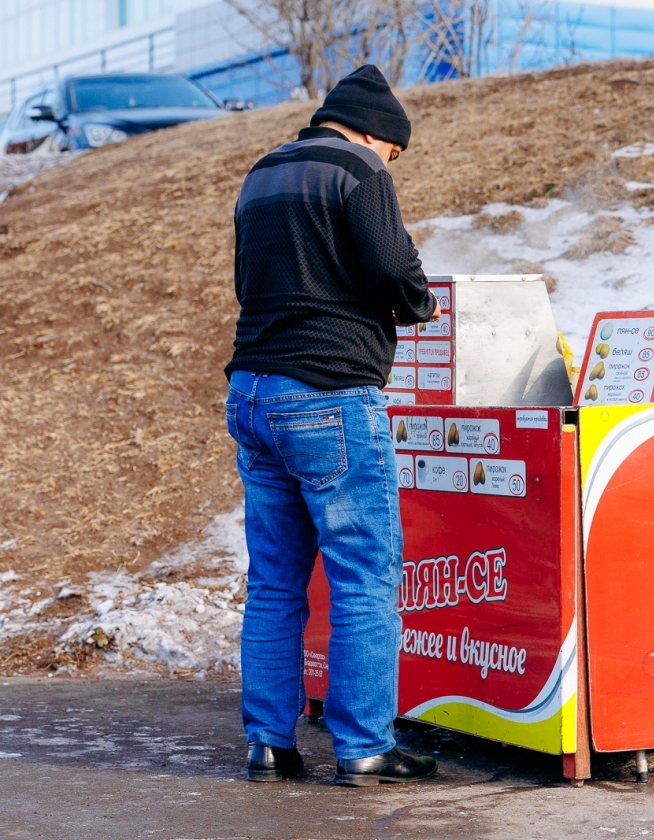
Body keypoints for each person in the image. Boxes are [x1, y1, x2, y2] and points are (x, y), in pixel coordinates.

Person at [224, 65, 439, 787]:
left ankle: (268, 745)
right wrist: (418, 302)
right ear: (378, 135)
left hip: (252, 392)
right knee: (363, 577)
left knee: (276, 582)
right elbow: (393, 267)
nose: (390, 166)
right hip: (329, 395)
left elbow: (248, 283)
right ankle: (365, 748)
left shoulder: (262, 172)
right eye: (395, 155)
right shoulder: (357, 169)